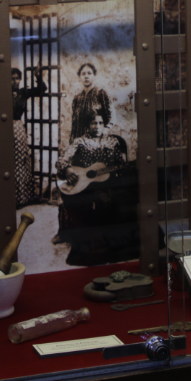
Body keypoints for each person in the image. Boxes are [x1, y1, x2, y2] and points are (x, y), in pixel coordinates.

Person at [53, 112, 140, 266]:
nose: (97, 126)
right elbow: (62, 160)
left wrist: (124, 168)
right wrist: (68, 170)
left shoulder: (112, 142)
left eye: (100, 123)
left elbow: (121, 164)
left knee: (118, 201)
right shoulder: (80, 142)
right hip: (86, 184)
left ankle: (118, 248)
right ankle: (93, 248)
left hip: (108, 183)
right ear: (88, 125)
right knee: (87, 204)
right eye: (93, 123)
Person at [0, 66, 47, 211]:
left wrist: (38, 77)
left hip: (17, 128)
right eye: (12, 79)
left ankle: (21, 197)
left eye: (17, 78)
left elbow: (42, 89)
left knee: (19, 162)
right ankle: (1, 198)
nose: (15, 81)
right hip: (2, 128)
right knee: (2, 161)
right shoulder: (0, 93)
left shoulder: (23, 92)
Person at [69, 63, 111, 142]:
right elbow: (74, 123)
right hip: (79, 140)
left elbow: (111, 118)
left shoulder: (101, 94)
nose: (86, 76)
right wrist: (72, 140)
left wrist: (103, 132)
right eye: (83, 74)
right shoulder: (77, 98)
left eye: (89, 73)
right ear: (79, 77)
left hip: (96, 140)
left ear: (94, 76)